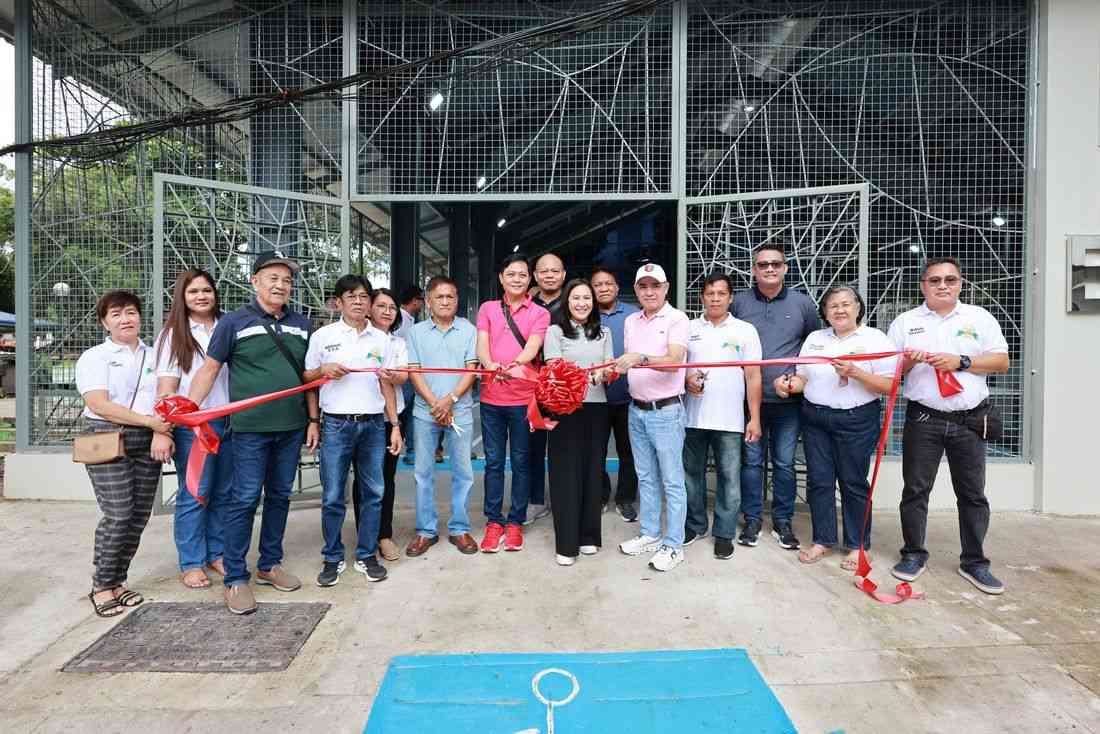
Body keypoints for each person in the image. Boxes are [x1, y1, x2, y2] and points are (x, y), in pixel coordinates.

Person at [188, 250, 321, 615]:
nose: (281, 285)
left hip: (291, 429)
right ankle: (235, 577)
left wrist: (313, 420)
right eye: (273, 278)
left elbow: (309, 378)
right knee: (244, 499)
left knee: (280, 496)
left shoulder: (303, 325)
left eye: (287, 280)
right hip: (248, 430)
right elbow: (210, 369)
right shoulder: (233, 323)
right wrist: (190, 409)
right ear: (255, 281)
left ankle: (269, 564)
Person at [887, 257, 1010, 595]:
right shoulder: (905, 322)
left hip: (969, 420)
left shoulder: (979, 318)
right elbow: (890, 373)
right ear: (923, 285)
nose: (943, 285)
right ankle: (913, 554)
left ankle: (975, 562)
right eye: (935, 280)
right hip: (923, 419)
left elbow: (1001, 361)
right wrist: (907, 361)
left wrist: (962, 362)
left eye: (950, 280)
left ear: (960, 284)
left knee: (972, 494)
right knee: (915, 490)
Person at [774, 286, 896, 570]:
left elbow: (889, 386)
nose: (840, 310)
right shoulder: (815, 339)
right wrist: (787, 385)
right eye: (833, 306)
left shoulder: (876, 339)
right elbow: (803, 379)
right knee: (819, 481)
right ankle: (823, 539)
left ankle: (857, 545)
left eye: (846, 304)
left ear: (858, 307)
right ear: (825, 313)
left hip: (856, 419)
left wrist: (856, 372)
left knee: (853, 482)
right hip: (816, 418)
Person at [76, 290, 172, 617]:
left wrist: (160, 430)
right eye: (115, 314)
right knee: (118, 513)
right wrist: (150, 422)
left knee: (138, 515)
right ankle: (101, 585)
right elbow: (98, 403)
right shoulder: (95, 357)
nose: (125, 319)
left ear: (139, 317)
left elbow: (167, 396)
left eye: (130, 312)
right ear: (105, 322)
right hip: (106, 436)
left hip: (148, 439)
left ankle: (118, 581)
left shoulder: (155, 355)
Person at [303, 274, 402, 588]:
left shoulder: (381, 339)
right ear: (338, 302)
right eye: (351, 296)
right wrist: (323, 371)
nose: (358, 302)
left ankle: (366, 554)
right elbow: (307, 378)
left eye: (363, 296)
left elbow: (386, 384)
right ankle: (332, 556)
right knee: (333, 495)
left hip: (373, 425)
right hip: (336, 424)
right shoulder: (323, 336)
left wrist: (394, 425)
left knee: (373, 492)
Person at [732, 244, 819, 550]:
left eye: (775, 264)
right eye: (763, 264)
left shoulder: (802, 304)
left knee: (784, 464)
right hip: (748, 402)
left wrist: (795, 377)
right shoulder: (739, 303)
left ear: (785, 268)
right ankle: (752, 519)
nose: (769, 268)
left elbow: (813, 346)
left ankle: (783, 521)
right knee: (751, 463)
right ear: (753, 270)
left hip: (787, 403)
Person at [152, 269, 231, 590]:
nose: (201, 296)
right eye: (193, 291)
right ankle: (191, 561)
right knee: (196, 493)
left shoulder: (229, 326)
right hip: (193, 427)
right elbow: (166, 388)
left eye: (207, 290)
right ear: (182, 298)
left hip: (230, 421)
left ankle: (217, 553)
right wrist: (162, 430)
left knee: (224, 492)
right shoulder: (173, 335)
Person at [614, 263, 690, 572]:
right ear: (636, 290)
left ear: (666, 288)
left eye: (655, 286)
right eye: (643, 286)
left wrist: (641, 358)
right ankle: (650, 533)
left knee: (672, 480)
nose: (649, 292)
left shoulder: (677, 319)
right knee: (645, 476)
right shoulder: (631, 321)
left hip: (666, 411)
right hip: (637, 409)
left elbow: (674, 360)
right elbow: (628, 363)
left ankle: (673, 545)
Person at [682, 273, 763, 561]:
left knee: (729, 478)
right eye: (709, 293)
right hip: (692, 418)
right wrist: (687, 381)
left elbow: (753, 376)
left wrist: (754, 418)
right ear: (702, 297)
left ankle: (724, 533)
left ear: (730, 298)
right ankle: (695, 525)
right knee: (691, 475)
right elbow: (678, 368)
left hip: (730, 420)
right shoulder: (688, 328)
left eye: (721, 293)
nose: (715, 298)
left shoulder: (745, 330)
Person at [476, 253, 551, 553]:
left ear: (529, 279)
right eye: (511, 274)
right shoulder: (488, 308)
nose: (517, 279)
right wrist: (489, 364)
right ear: (501, 278)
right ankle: (494, 521)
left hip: (523, 399)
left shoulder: (540, 314)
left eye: (522, 274)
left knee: (521, 462)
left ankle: (516, 521)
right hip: (491, 399)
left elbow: (533, 346)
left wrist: (513, 365)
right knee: (494, 462)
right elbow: (482, 344)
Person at [404, 276, 480, 557]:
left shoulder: (469, 330)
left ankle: (459, 528)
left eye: (451, 297)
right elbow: (414, 371)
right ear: (428, 301)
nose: (445, 302)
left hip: (460, 411)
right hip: (426, 413)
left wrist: (451, 400)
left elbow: (471, 370)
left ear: (457, 300)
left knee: (463, 472)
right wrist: (435, 403)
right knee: (423, 473)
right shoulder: (416, 332)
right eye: (440, 297)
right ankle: (426, 531)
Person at [543, 279, 614, 566]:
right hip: (564, 409)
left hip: (597, 408)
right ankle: (566, 544)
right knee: (565, 474)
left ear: (593, 303)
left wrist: (604, 374)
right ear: (567, 301)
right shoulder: (555, 331)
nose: (582, 303)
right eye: (576, 298)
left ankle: (588, 536)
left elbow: (609, 366)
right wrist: (585, 375)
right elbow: (554, 367)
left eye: (587, 298)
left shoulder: (604, 332)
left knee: (592, 471)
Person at [364, 287, 410, 562]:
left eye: (392, 307)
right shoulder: (358, 338)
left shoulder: (397, 343)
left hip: (391, 420)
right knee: (364, 480)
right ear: (369, 308)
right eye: (381, 306)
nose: (387, 311)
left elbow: (402, 377)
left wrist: (391, 375)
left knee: (385, 479)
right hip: (362, 417)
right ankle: (365, 536)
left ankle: (383, 534)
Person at [592, 265, 639, 522]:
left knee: (628, 452)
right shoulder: (587, 314)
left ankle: (625, 498)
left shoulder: (633, 314)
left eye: (608, 283)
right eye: (598, 285)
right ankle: (599, 496)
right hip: (596, 398)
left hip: (628, 396)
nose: (603, 288)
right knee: (595, 451)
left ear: (617, 287)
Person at [525, 253, 567, 525]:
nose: (549, 275)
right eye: (544, 271)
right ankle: (536, 500)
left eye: (555, 271)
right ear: (535, 276)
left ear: (563, 274)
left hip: (564, 386)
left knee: (565, 446)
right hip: (531, 384)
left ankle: (564, 499)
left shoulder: (574, 301)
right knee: (533, 446)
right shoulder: (526, 303)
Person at [397, 285, 424, 466]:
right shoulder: (400, 320)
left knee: (411, 413)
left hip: (411, 374)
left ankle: (412, 450)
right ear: (414, 301)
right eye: (421, 300)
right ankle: (403, 447)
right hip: (402, 375)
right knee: (402, 411)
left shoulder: (410, 319)